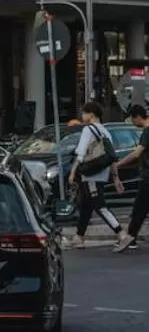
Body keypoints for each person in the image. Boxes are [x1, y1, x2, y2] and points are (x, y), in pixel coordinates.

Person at [69, 99, 123, 249]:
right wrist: (116, 177)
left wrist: (73, 172)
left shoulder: (88, 130)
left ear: (91, 115)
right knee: (86, 206)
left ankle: (121, 233)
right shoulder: (106, 132)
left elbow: (80, 154)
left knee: (100, 206)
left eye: (83, 113)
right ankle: (79, 237)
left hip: (90, 175)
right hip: (102, 174)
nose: (82, 116)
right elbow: (112, 157)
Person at [114, 102, 149, 252]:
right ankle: (131, 238)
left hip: (148, 177)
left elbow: (136, 154)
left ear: (138, 117)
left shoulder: (147, 131)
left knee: (139, 209)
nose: (133, 123)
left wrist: (118, 164)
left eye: (132, 120)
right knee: (140, 209)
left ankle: (131, 238)